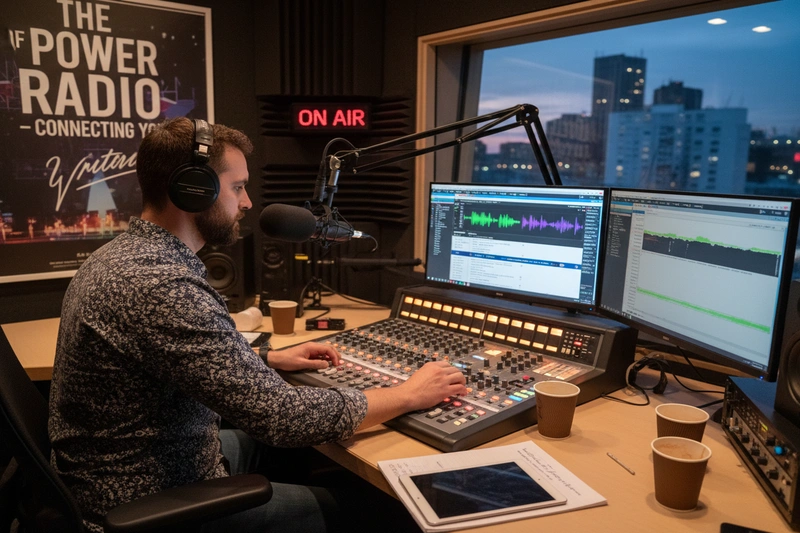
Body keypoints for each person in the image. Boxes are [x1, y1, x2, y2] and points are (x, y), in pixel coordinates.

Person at [48, 117, 467, 533]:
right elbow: (283, 418)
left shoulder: (123, 256)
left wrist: (267, 357)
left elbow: (169, 358)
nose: (247, 203)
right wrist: (408, 394)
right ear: (193, 190)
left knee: (310, 459)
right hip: (146, 502)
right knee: (380, 511)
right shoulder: (161, 284)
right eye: (236, 187)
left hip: (130, 468)